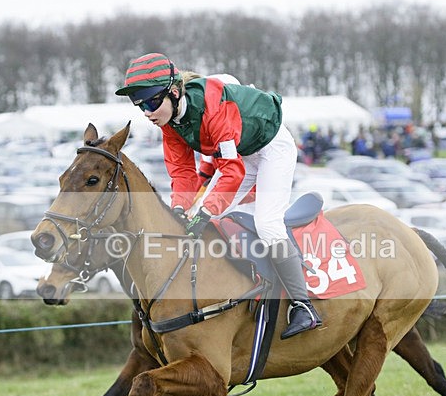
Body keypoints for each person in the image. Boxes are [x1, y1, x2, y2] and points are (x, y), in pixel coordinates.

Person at [115, 53, 321, 339]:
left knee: (267, 224)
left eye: (151, 102)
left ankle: (303, 305)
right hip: (243, 155)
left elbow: (231, 171)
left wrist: (204, 211)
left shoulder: (213, 107)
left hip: (273, 148)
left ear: (174, 92)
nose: (147, 112)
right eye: (140, 106)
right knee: (206, 218)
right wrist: (179, 209)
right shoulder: (169, 126)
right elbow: (183, 174)